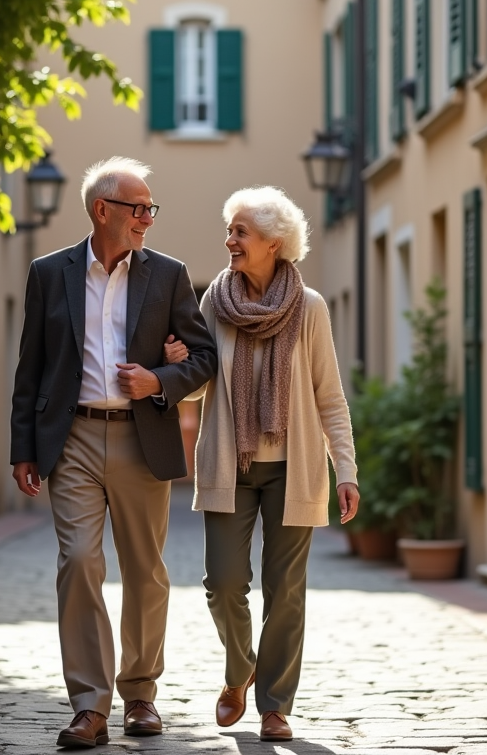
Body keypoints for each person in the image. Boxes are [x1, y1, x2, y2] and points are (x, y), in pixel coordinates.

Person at [10, 156, 217, 749]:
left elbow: (205, 358)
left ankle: (141, 694)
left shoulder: (169, 275)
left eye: (151, 209)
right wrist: (23, 447)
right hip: (71, 437)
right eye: (139, 208)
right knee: (78, 561)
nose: (148, 218)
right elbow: (31, 366)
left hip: (141, 437)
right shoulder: (49, 273)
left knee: (145, 570)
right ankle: (89, 705)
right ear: (103, 211)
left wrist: (158, 381)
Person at [164, 185, 358, 743]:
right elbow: (197, 389)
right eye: (229, 231)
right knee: (223, 583)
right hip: (231, 465)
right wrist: (178, 364)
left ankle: (275, 704)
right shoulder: (214, 303)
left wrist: (345, 470)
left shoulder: (310, 308)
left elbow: (329, 397)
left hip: (294, 467)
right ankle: (240, 669)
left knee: (285, 590)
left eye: (240, 232)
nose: (229, 240)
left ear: (274, 243)